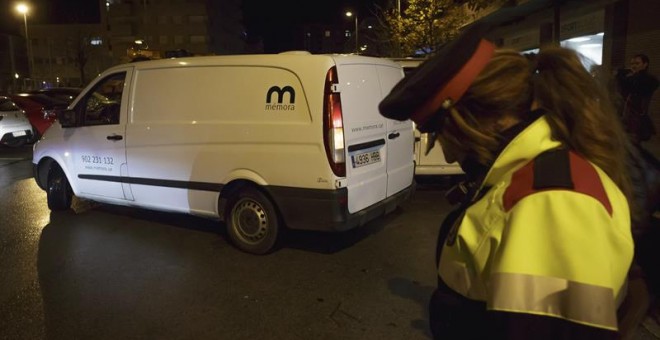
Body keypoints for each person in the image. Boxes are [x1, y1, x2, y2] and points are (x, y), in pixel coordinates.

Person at [379, 23, 636, 339]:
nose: (445, 155)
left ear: (472, 120)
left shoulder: (552, 204)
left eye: (441, 134)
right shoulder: (527, 180)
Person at [616, 54, 659, 143]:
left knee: (634, 144)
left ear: (645, 64)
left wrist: (626, 75)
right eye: (632, 64)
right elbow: (622, 87)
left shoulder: (649, 79)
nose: (634, 66)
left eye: (637, 63)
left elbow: (639, 86)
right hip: (628, 115)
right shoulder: (632, 77)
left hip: (638, 118)